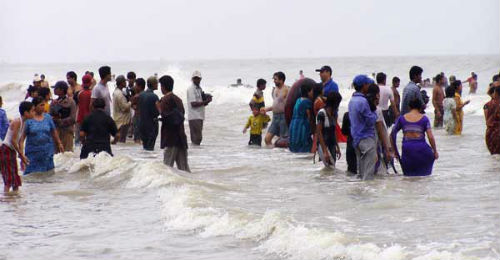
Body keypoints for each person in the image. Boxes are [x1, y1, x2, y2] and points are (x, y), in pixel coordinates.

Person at [391, 98, 438, 176]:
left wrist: (395, 150)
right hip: (422, 149)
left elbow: (392, 134)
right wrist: (435, 151)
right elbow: (430, 137)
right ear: (420, 107)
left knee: (409, 178)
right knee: (423, 178)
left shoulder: (402, 119)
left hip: (407, 150)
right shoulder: (424, 119)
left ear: (409, 107)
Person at [21, 97, 64, 175]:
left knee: (48, 174)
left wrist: (59, 143)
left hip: (47, 152)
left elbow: (53, 131)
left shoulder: (48, 117)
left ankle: (46, 187)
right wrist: (21, 154)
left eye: (44, 105)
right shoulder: (29, 119)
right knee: (32, 175)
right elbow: (22, 138)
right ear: (35, 106)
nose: (43, 107)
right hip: (33, 153)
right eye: (41, 105)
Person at [158, 75, 190, 172]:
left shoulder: (164, 100)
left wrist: (158, 108)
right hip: (181, 137)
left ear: (163, 87)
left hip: (170, 138)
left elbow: (166, 117)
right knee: (184, 168)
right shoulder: (179, 100)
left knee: (167, 169)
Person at [348, 75, 377, 180]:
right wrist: (374, 111)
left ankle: (360, 193)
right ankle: (368, 194)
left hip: (356, 138)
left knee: (361, 172)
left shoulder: (352, 100)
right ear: (364, 85)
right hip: (366, 138)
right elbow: (370, 121)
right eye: (368, 84)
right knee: (368, 173)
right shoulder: (363, 101)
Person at [0, 102, 34, 192]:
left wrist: (21, 154)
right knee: (9, 178)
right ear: (26, 113)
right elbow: (13, 141)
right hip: (6, 149)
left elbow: (20, 141)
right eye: (32, 111)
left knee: (15, 177)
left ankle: (15, 199)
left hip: (11, 150)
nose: (34, 113)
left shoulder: (23, 122)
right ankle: (6, 197)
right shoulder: (17, 121)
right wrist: (21, 155)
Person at [316, 92, 342, 167]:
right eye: (338, 103)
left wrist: (337, 147)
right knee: (328, 168)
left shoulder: (333, 114)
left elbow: (334, 132)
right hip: (324, 145)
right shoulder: (321, 114)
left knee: (331, 169)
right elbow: (319, 132)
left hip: (332, 145)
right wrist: (324, 150)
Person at [50, 81, 77, 152]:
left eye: (56, 88)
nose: (54, 90)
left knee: (67, 153)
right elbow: (50, 116)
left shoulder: (71, 102)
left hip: (67, 132)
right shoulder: (53, 102)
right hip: (56, 132)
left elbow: (73, 118)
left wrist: (60, 121)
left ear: (61, 90)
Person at [187, 71, 212, 145]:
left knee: (198, 138)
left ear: (200, 79)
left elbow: (200, 103)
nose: (197, 80)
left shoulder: (199, 88)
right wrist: (206, 101)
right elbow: (193, 104)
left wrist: (207, 101)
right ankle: (195, 153)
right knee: (197, 138)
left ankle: (196, 153)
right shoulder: (191, 89)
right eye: (195, 78)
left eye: (198, 78)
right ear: (192, 79)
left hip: (199, 116)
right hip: (194, 116)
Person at [265, 72, 289, 145]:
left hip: (283, 117)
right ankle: (274, 154)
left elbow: (290, 104)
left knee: (282, 141)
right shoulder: (274, 89)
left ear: (281, 80)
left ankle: (281, 155)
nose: (274, 81)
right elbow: (276, 105)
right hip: (275, 117)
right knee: (267, 139)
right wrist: (266, 109)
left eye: (275, 79)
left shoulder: (287, 89)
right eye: (274, 79)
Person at [288, 83, 314, 153]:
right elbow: (309, 116)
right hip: (302, 125)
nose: (313, 93)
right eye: (312, 91)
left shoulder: (298, 100)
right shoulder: (307, 102)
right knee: (304, 144)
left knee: (294, 143)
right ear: (308, 92)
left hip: (293, 124)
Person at [138, 76, 160, 150]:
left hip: (142, 124)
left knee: (145, 147)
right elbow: (157, 112)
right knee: (150, 148)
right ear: (153, 84)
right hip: (151, 126)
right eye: (156, 83)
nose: (157, 85)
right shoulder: (154, 97)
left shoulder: (141, 95)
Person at [112, 75, 131, 143]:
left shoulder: (117, 92)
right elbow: (124, 108)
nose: (126, 83)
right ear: (122, 83)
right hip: (122, 121)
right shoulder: (119, 94)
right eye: (124, 82)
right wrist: (131, 102)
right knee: (121, 141)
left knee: (119, 141)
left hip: (118, 119)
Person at [483, 86, 500, 155]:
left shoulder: (487, 105)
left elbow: (486, 119)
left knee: (494, 155)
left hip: (490, 133)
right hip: (498, 131)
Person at [76, 74, 93, 143]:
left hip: (80, 117)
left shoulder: (79, 93)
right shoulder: (92, 93)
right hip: (89, 118)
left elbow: (78, 105)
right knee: (89, 139)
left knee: (79, 140)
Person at [131, 78, 146, 144]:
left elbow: (131, 105)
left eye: (136, 85)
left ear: (139, 86)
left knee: (137, 139)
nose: (134, 87)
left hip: (137, 117)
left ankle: (138, 153)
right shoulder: (146, 94)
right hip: (145, 118)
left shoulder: (137, 96)